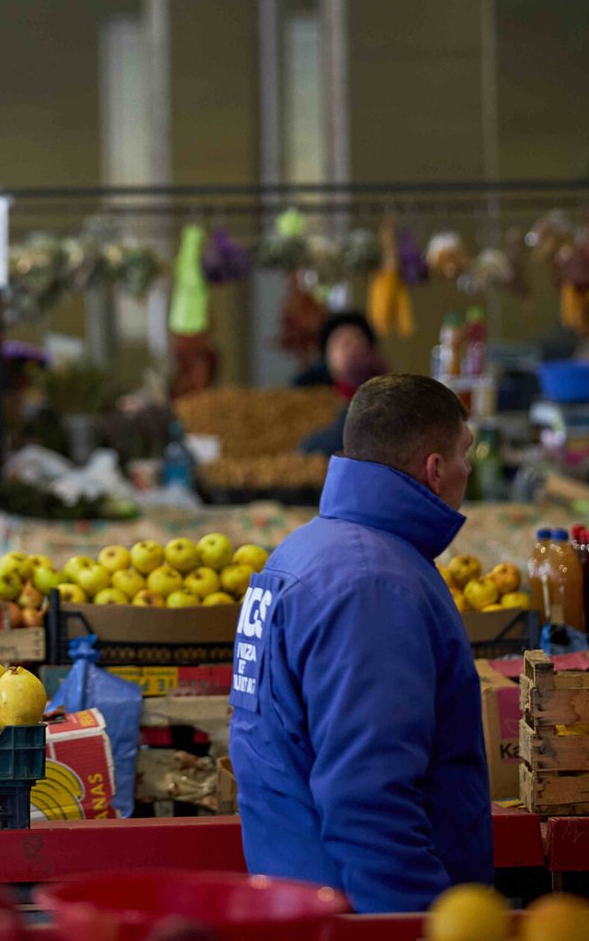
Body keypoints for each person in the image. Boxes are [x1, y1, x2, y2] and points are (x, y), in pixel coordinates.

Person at [229, 373, 491, 913]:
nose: (469, 468)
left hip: (300, 897)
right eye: (466, 452)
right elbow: (369, 802)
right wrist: (414, 923)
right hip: (360, 912)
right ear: (435, 469)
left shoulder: (302, 555)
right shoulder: (373, 584)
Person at [295, 312, 390, 455]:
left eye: (358, 341)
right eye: (342, 344)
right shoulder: (310, 398)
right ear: (326, 358)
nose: (352, 349)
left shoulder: (388, 398)